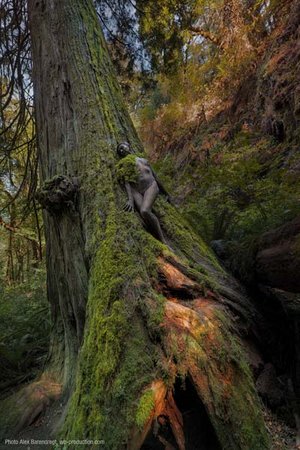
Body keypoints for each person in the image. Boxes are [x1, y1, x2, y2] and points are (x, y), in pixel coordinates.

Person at [117, 142, 169, 244]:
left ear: (128, 146)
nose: (122, 150)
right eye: (120, 150)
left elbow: (155, 176)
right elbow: (127, 182)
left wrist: (166, 193)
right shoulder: (124, 164)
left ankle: (163, 241)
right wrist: (130, 200)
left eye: (123, 147)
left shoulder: (142, 159)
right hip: (137, 190)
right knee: (144, 215)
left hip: (151, 186)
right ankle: (155, 238)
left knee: (145, 211)